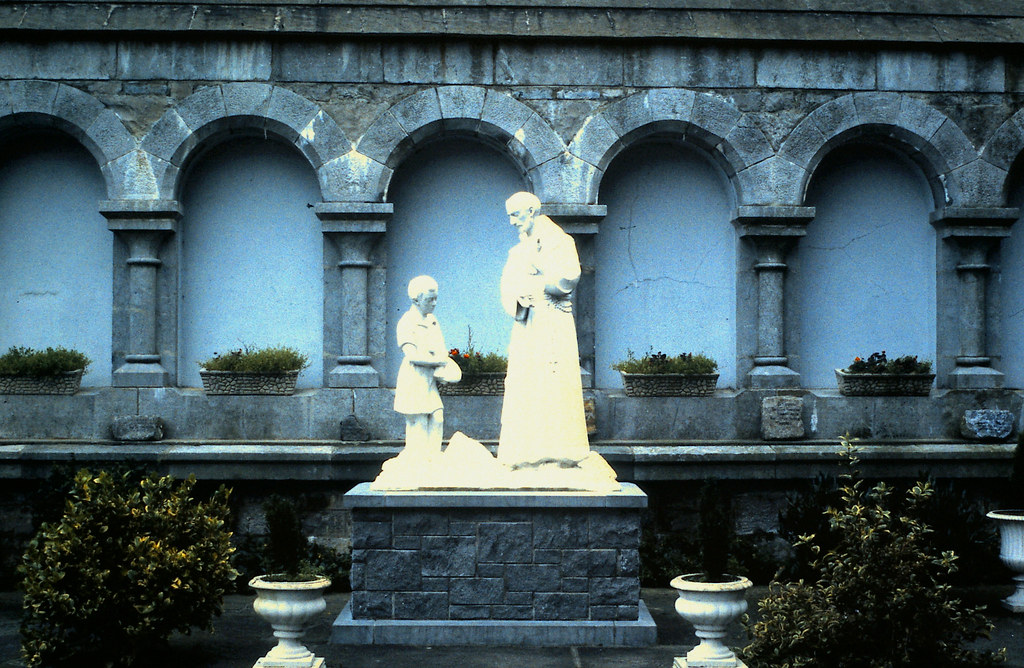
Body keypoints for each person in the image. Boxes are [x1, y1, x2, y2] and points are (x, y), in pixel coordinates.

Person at [497, 191, 591, 469]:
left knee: (554, 383)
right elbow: (507, 285)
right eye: (510, 216)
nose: (512, 222)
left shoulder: (559, 242)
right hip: (527, 325)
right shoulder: (517, 251)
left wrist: (539, 269)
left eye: (516, 215)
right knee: (527, 383)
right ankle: (526, 454)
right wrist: (518, 298)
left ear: (532, 211)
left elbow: (569, 276)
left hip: (552, 323)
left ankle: (560, 453)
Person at [393, 275, 461, 460]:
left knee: (438, 417)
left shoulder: (432, 321)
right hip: (414, 378)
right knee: (419, 422)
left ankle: (433, 458)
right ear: (416, 299)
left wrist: (444, 369)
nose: (434, 303)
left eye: (436, 298)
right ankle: (419, 461)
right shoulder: (407, 322)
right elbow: (412, 356)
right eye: (430, 299)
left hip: (429, 378)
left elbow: (441, 349)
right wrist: (439, 361)